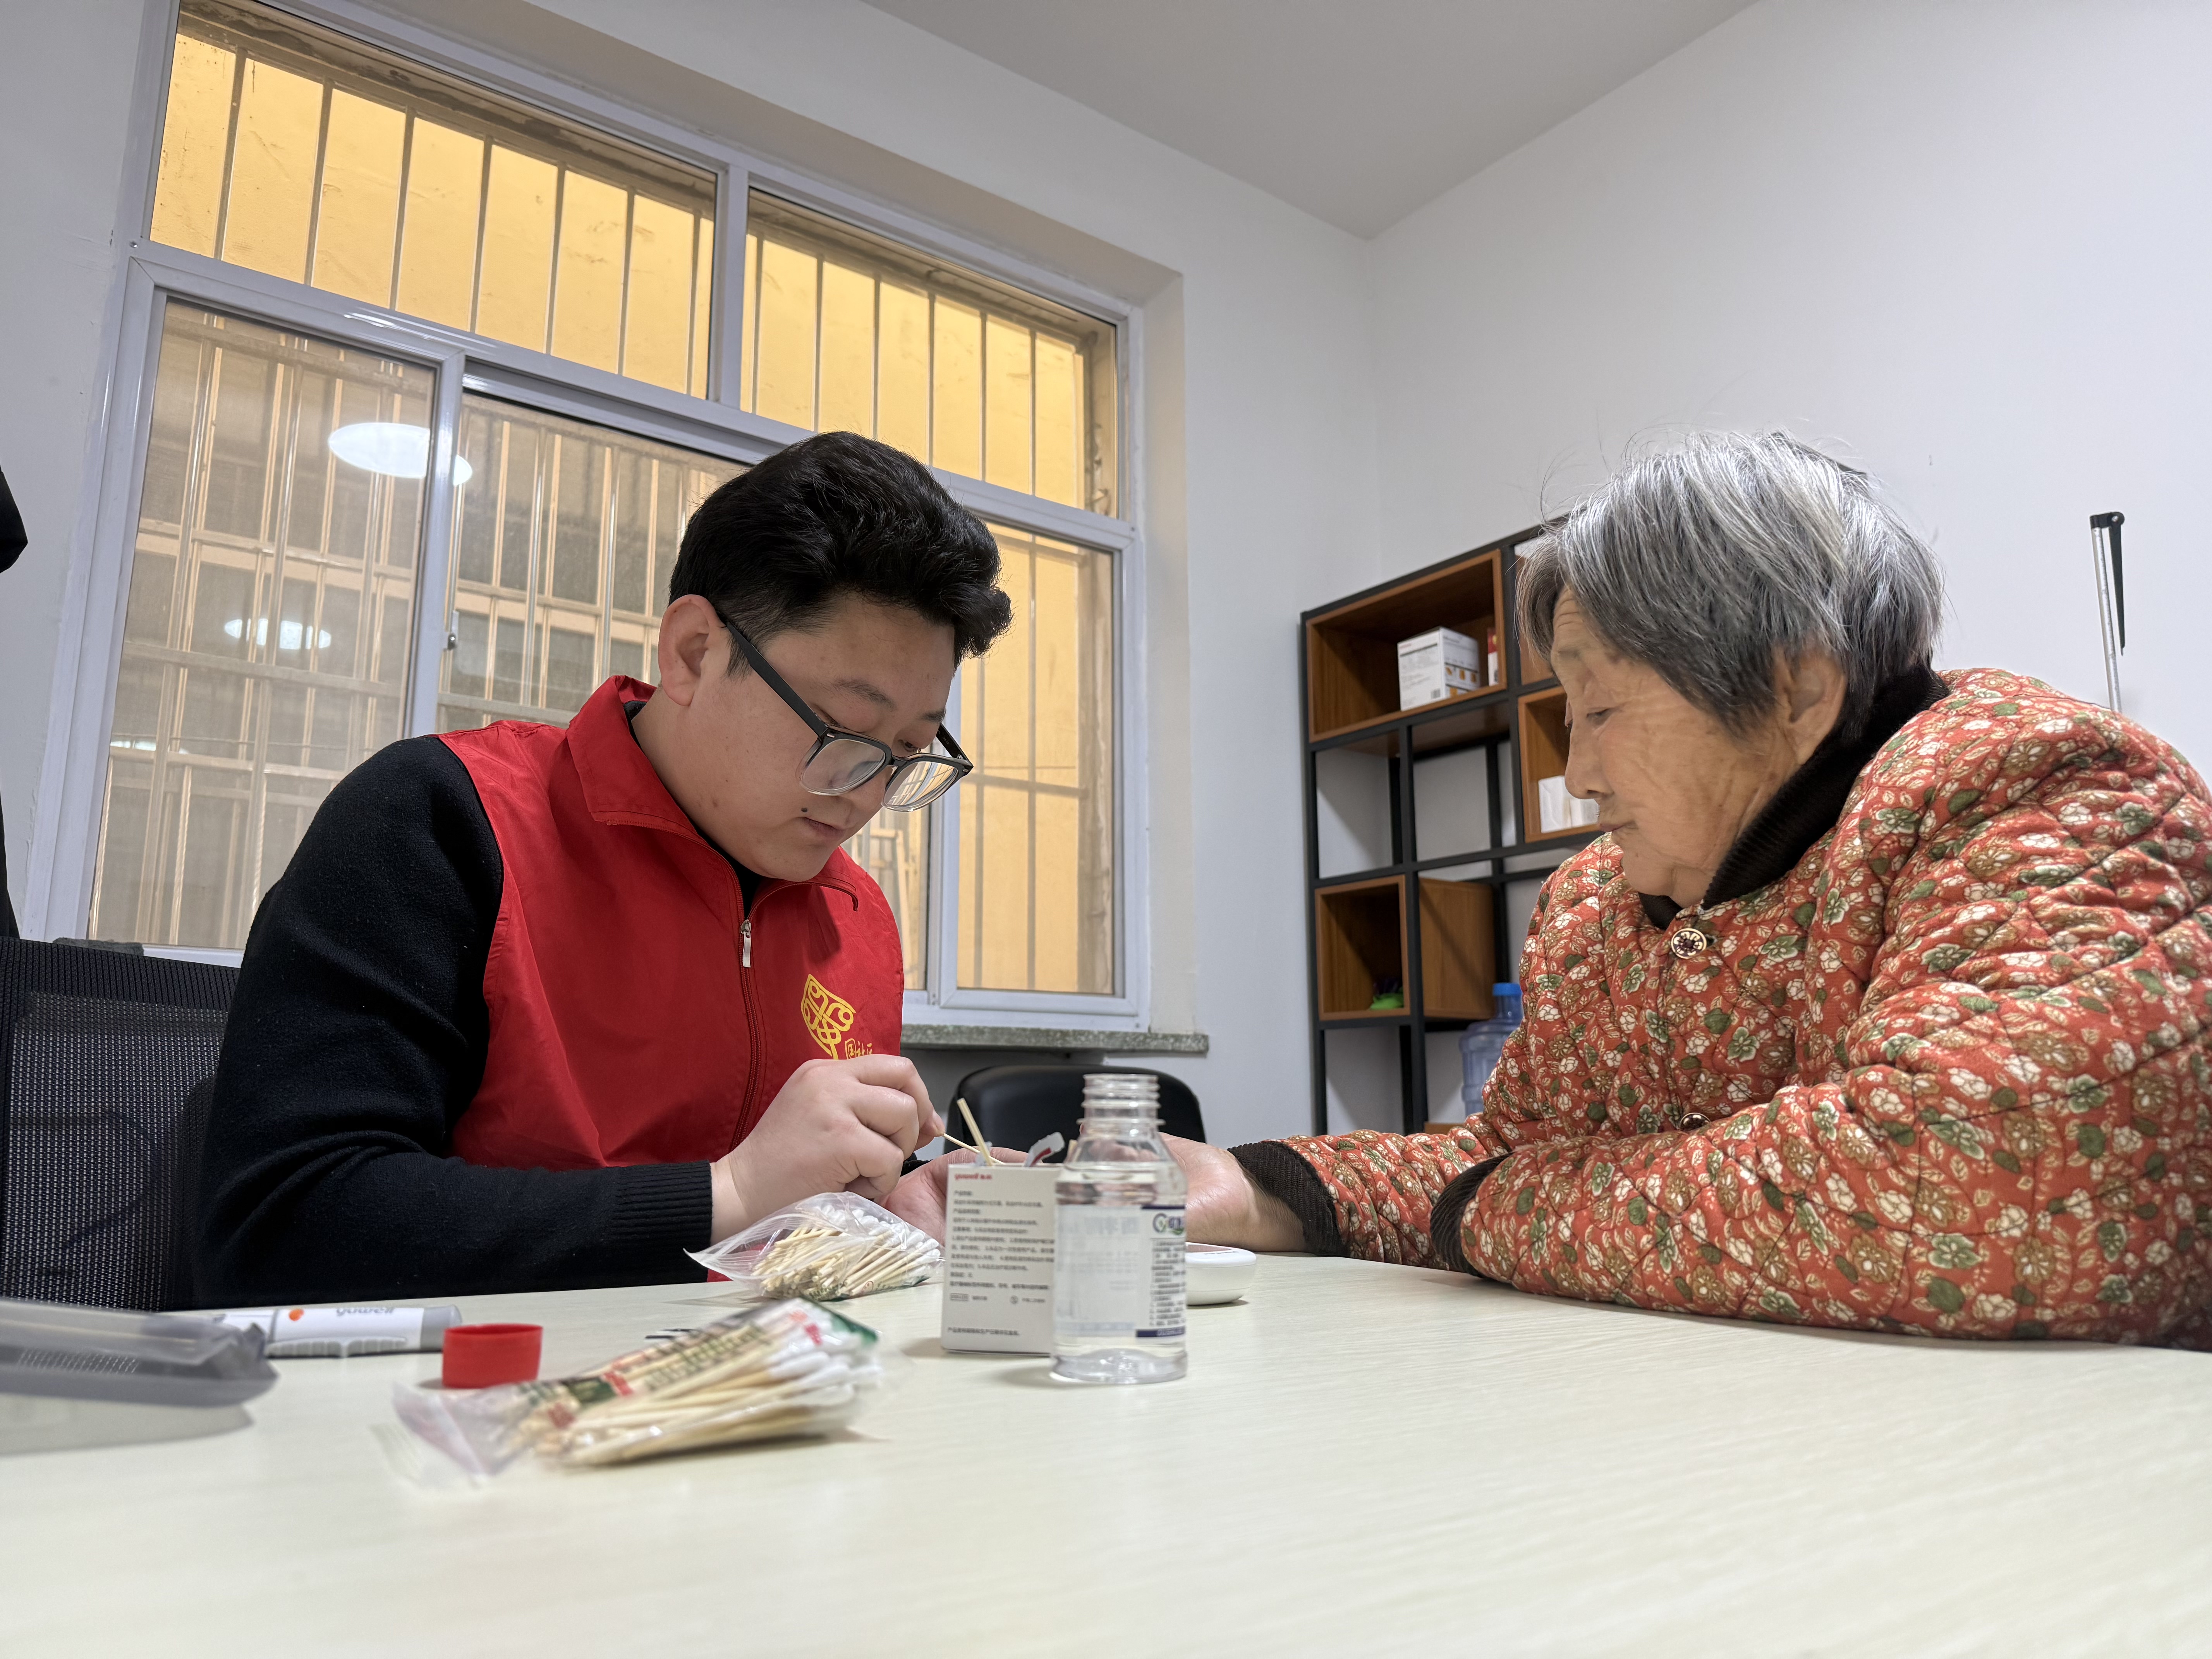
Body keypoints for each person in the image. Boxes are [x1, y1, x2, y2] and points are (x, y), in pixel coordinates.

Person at [1182, 431, 2212, 1347]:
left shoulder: (2040, 784)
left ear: (1796, 687)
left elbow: (1974, 1183)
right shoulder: (1595, 906)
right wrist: (1262, 1190)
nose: (1579, 773)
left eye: (1600, 708)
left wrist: (1494, 1209)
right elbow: (1511, 1155)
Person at [200, 432, 1010, 1302]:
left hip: (747, 1375)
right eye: (842, 733)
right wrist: (728, 1195)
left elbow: (792, 1226)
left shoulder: (854, 914)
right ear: (694, 652)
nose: (867, 795)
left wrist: (891, 1207)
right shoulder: (448, 820)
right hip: (468, 1378)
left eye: (907, 753)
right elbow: (282, 1226)